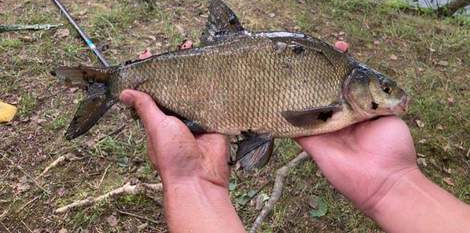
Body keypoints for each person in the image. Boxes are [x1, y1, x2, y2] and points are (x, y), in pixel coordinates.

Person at [120, 43, 470, 233]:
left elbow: (294, 119)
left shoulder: (347, 101)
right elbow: (296, 119)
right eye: (387, 90)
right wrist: (395, 184)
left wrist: (395, 180)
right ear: (361, 85)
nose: (393, 98)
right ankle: (115, 81)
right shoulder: (340, 103)